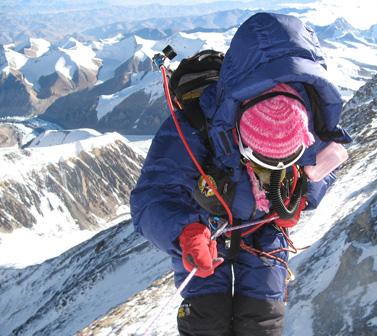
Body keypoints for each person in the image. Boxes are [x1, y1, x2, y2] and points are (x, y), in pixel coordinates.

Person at [130, 12, 351, 336]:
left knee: (261, 323)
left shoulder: (308, 118)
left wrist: (302, 197)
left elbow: (326, 167)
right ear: (235, 130)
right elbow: (152, 196)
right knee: (207, 320)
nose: (270, 169)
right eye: (259, 158)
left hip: (264, 235)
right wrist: (184, 233)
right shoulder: (193, 126)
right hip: (205, 228)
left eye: (282, 160)